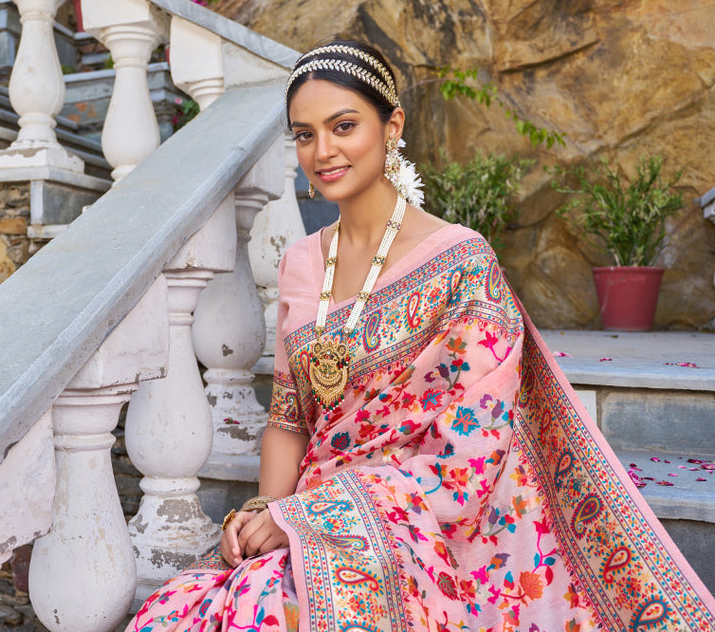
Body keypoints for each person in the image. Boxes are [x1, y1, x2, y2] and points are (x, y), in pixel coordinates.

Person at [126, 40, 715, 631]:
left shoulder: (461, 262)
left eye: (344, 126)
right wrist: (267, 512)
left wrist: (319, 518)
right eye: (305, 135)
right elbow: (288, 419)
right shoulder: (301, 262)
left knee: (273, 613)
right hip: (311, 512)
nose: (323, 151)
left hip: (414, 525)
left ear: (393, 126)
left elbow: (470, 458)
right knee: (181, 613)